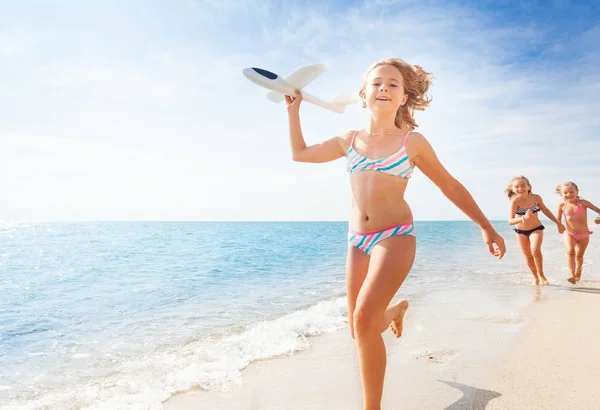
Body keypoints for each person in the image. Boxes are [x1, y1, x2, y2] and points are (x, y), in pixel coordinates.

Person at [284, 57, 506, 410]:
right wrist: (293, 111)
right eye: (377, 83)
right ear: (363, 94)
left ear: (404, 97)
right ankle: (396, 311)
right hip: (357, 240)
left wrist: (486, 226)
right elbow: (300, 154)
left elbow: (448, 185)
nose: (383, 88)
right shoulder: (348, 140)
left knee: (362, 318)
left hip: (395, 236)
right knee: (360, 329)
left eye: (392, 84)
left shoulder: (412, 142)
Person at [505, 175, 564, 286]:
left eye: (523, 185)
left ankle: (541, 275)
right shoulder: (515, 201)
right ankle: (535, 277)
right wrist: (523, 218)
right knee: (527, 255)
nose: (520, 188)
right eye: (517, 187)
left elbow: (546, 210)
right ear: (513, 189)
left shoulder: (536, 198)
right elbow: (510, 220)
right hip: (521, 231)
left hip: (536, 228)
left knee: (535, 250)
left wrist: (558, 223)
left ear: (529, 186)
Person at [555, 181, 600, 283]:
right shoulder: (562, 205)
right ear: (561, 194)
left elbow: (598, 210)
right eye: (565, 193)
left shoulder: (583, 203)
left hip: (584, 235)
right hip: (570, 234)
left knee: (579, 256)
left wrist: (598, 219)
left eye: (571, 192)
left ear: (577, 191)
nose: (569, 194)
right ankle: (571, 275)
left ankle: (578, 272)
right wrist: (559, 226)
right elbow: (558, 220)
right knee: (570, 252)